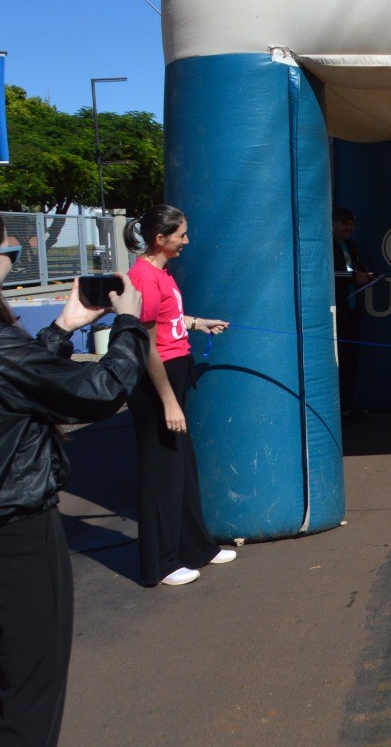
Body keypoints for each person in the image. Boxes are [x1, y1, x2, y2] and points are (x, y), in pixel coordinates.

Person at [0, 199, 148, 745]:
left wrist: (63, 328)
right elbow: (96, 392)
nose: (13, 261)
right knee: (27, 695)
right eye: (9, 250)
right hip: (15, 534)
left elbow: (5, 390)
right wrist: (132, 325)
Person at [125, 205, 235, 586]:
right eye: (181, 235)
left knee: (183, 468)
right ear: (160, 238)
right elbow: (147, 345)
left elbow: (168, 319)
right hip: (156, 381)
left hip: (175, 370)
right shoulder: (142, 277)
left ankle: (196, 547)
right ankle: (163, 562)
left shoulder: (161, 272)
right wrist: (168, 400)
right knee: (161, 476)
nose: (187, 241)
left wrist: (197, 323)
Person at [333, 207, 376, 422]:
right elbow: (329, 274)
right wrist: (353, 277)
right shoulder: (327, 246)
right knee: (339, 365)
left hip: (353, 311)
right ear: (333, 224)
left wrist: (367, 276)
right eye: (344, 223)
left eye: (351, 223)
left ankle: (348, 407)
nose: (349, 228)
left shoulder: (352, 246)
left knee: (352, 363)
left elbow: (358, 269)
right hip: (336, 313)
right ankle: (339, 411)